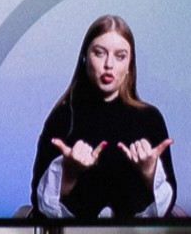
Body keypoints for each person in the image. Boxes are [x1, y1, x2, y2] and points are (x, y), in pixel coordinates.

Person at [30, 15, 175, 218]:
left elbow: (167, 206)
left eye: (120, 56)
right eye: (99, 53)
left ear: (130, 65)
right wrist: (68, 173)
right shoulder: (62, 118)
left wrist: (150, 172)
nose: (109, 64)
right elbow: (39, 204)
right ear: (85, 57)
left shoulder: (150, 119)